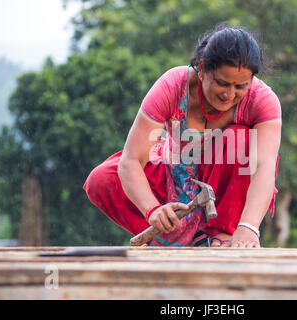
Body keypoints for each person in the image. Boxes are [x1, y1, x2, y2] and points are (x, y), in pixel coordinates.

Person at [83, 24, 282, 248]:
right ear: (203, 67)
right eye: (222, 83)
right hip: (173, 175)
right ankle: (167, 235)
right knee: (102, 178)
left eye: (241, 87)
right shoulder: (172, 86)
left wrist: (248, 227)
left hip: (226, 196)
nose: (229, 95)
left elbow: (265, 168)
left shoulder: (263, 101)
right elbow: (130, 160)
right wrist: (152, 209)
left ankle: (221, 235)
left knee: (241, 140)